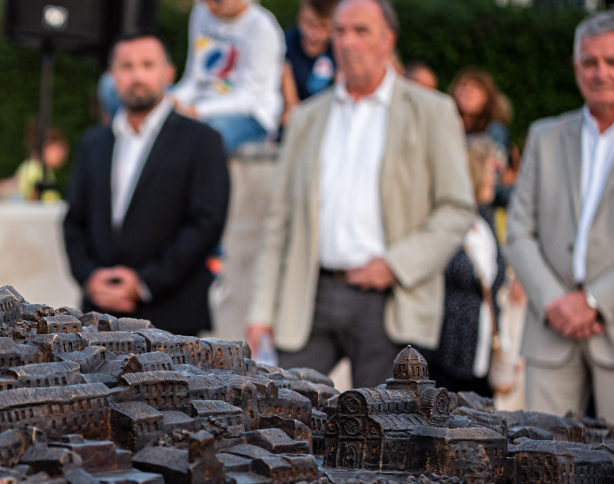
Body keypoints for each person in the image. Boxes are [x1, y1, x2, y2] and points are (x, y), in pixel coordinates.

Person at [245, 0, 474, 389]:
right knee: (283, 417)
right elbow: (279, 220)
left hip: (388, 301)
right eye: (339, 31)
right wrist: (260, 309)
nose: (347, 41)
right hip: (309, 296)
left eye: (360, 31)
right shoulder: (305, 119)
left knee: (381, 435)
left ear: (388, 40)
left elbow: (456, 208)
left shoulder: (432, 111)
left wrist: (395, 265)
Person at [63, 33, 230, 336]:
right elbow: (74, 221)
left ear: (169, 72)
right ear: (112, 76)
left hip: (174, 319)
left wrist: (144, 283)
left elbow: (206, 223)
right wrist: (90, 277)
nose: (137, 75)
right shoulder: (93, 144)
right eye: (126, 66)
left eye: (147, 65)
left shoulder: (202, 141)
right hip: (99, 316)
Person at [505, 11, 614, 419]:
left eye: (611, 61)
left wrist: (594, 302)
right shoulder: (544, 136)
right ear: (576, 67)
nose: (600, 72)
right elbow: (517, 231)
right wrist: (554, 300)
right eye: (590, 62)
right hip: (550, 331)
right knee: (545, 464)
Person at [429, 138, 507, 396]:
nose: (495, 179)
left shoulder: (486, 217)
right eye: (490, 172)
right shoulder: (445, 217)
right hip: (447, 350)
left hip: (483, 348)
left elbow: (495, 276)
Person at [170, 0, 285, 153]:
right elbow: (194, 77)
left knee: (204, 138)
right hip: (202, 104)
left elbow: (247, 98)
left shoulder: (262, 28)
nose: (209, 5)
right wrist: (174, 98)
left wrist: (196, 111)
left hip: (251, 116)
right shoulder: (201, 12)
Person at [282, 0, 337, 126]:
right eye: (309, 23)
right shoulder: (288, 43)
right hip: (296, 113)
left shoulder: (337, 49)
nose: (314, 33)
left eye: (323, 26)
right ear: (299, 18)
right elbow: (291, 104)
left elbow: (339, 90)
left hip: (326, 114)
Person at [0, 121, 69, 203]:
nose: (63, 154)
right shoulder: (34, 171)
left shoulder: (40, 170)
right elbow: (31, 202)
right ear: (45, 146)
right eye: (58, 150)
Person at [449, 68, 512, 155]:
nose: (468, 90)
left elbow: (496, 165)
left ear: (487, 97)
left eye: (476, 87)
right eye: (463, 85)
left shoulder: (495, 130)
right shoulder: (445, 124)